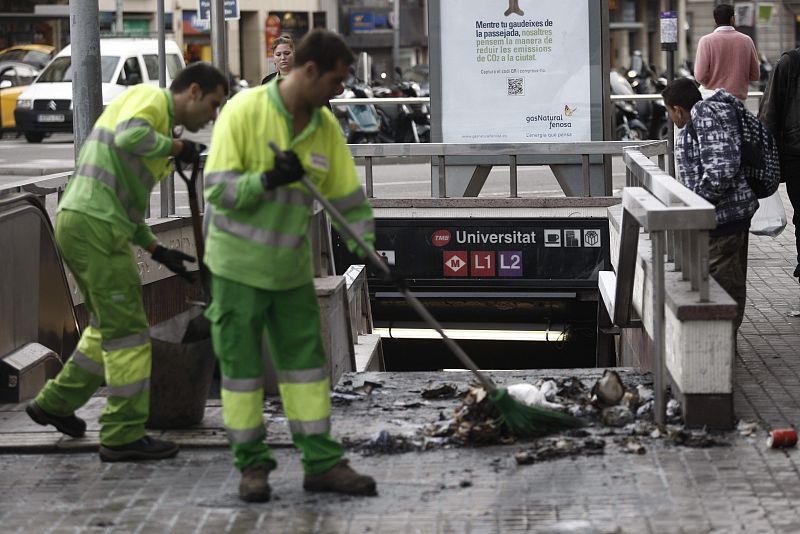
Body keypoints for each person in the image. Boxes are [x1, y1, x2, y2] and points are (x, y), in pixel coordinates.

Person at [203, 29, 377, 502]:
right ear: (309, 71)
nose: (342, 89)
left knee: (305, 371)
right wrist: (268, 180)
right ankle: (252, 468)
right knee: (242, 376)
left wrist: (372, 250)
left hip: (290, 272)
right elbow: (218, 190)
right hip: (236, 268)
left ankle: (320, 462)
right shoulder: (245, 111)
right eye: (337, 80)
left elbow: (347, 199)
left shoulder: (324, 128)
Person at [26, 62, 229, 462]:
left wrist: (157, 250)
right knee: (130, 333)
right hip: (95, 225)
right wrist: (177, 148)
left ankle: (54, 403)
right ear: (191, 91)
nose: (213, 115)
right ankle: (122, 434)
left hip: (90, 222)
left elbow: (127, 202)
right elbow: (129, 135)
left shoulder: (158, 129)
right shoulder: (151, 101)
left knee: (108, 328)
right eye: (213, 103)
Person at [662, 78, 758, 331]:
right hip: (729, 216)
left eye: (669, 112)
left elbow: (721, 168)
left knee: (722, 289)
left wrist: (697, 203)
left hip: (722, 220)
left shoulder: (702, 118)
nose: (671, 118)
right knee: (730, 285)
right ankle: (726, 340)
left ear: (677, 109)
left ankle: (722, 344)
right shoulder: (703, 117)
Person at [759, 48, 800, 279]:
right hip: (796, 155)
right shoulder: (790, 63)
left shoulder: (788, 63)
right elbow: (770, 112)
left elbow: (768, 112)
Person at [694, 3, 760, 101]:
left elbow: (700, 76)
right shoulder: (747, 40)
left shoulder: (706, 41)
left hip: (712, 101)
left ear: (715, 20)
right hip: (737, 101)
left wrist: (713, 82)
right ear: (733, 19)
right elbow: (755, 75)